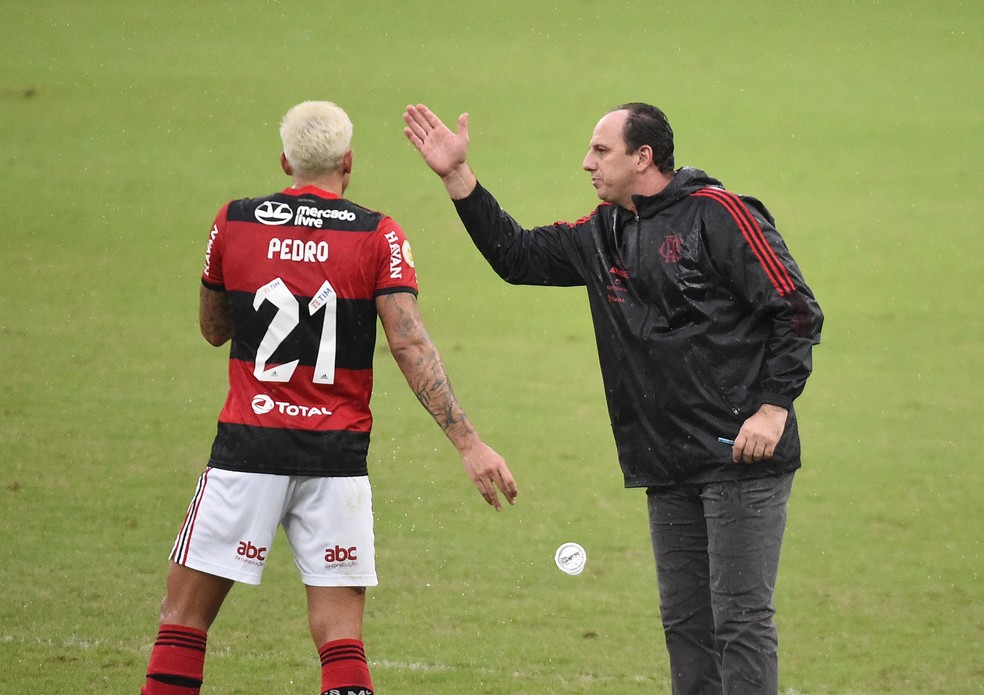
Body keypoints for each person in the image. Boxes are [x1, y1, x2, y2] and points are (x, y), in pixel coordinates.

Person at [403, 102, 823, 694]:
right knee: (685, 625)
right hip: (667, 460)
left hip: (741, 457)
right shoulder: (603, 232)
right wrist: (457, 179)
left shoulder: (720, 215)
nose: (586, 163)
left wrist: (774, 408)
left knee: (740, 622)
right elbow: (517, 256)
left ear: (643, 156)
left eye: (601, 151)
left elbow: (797, 310)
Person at [140, 101, 518, 695]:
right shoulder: (377, 233)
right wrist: (468, 443)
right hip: (336, 457)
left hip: (247, 450)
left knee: (183, 622)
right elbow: (410, 343)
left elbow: (214, 328)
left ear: (285, 160)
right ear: (349, 161)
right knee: (341, 640)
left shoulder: (234, 220)